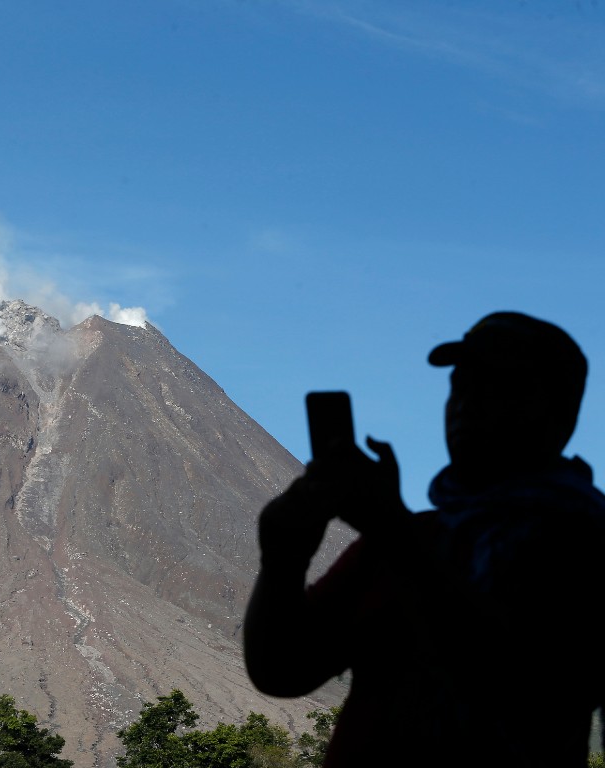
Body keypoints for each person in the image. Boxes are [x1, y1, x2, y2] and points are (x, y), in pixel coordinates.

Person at [243, 311, 605, 768]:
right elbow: (282, 669)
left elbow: (529, 688)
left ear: (558, 411)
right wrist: (283, 555)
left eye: (498, 385)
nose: (467, 402)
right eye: (461, 384)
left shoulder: (580, 541)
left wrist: (393, 529)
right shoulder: (409, 537)